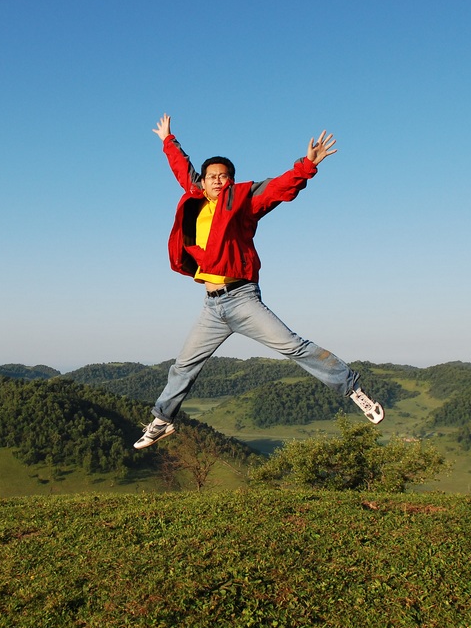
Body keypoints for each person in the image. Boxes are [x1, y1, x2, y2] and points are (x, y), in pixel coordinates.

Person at [134, 114, 384, 450]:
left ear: (231, 181)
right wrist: (168, 139)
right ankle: (162, 420)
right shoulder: (196, 196)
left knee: (292, 346)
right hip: (212, 307)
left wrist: (307, 165)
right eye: (212, 177)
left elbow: (279, 188)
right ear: (204, 182)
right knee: (183, 366)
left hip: (242, 299)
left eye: (224, 176)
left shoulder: (243, 200)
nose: (218, 181)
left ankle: (351, 388)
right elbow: (183, 169)